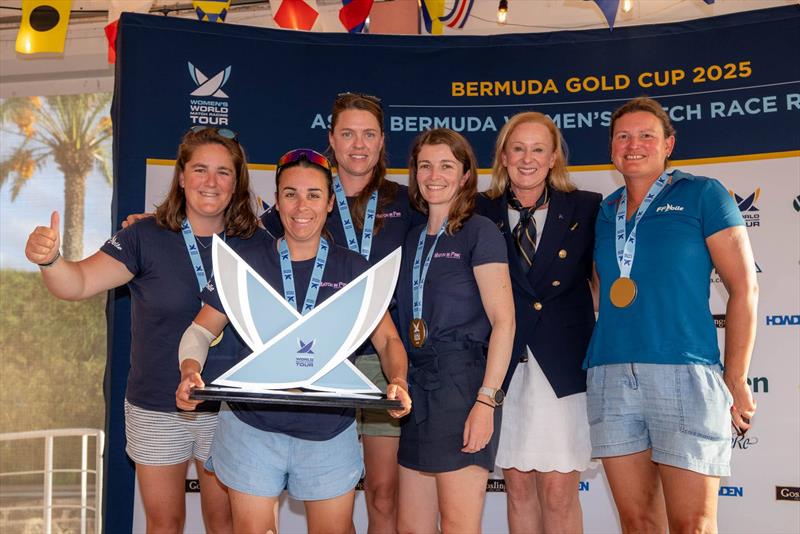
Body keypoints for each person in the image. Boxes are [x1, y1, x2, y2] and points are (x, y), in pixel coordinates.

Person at [24, 126, 268, 533]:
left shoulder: (256, 243)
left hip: (229, 408)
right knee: (164, 523)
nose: (211, 182)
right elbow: (79, 282)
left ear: (237, 181)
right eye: (200, 169)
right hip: (157, 404)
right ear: (182, 176)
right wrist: (50, 261)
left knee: (223, 522)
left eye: (223, 172)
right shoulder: (144, 235)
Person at [176, 148, 412, 534]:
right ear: (278, 198)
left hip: (328, 431)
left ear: (330, 202)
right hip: (252, 427)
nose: (301, 206)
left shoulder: (353, 269)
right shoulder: (246, 261)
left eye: (314, 194)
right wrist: (189, 369)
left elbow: (387, 341)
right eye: (290, 193)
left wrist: (398, 380)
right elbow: (200, 331)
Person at [585, 96, 758, 533]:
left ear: (669, 144)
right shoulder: (604, 213)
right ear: (611, 150)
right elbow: (598, 292)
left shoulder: (704, 194)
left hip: (685, 372)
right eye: (622, 136)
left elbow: (744, 288)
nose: (633, 144)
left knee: (692, 525)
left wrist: (736, 375)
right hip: (609, 375)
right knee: (638, 523)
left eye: (647, 135)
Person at [261, 92, 423, 533]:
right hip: (311, 359)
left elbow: (459, 216)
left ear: (382, 141)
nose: (358, 144)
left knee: (383, 492)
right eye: (347, 133)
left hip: (377, 356)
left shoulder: (409, 200)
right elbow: (233, 232)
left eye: (368, 134)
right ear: (331, 139)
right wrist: (159, 218)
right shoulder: (302, 198)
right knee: (331, 496)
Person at [476, 111, 601, 534]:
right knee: (518, 490)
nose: (527, 158)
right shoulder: (479, 210)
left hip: (562, 370)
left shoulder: (587, 207)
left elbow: (605, 281)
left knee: (558, 494)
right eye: (518, 148)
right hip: (503, 370)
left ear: (553, 159)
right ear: (504, 157)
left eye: (538, 149)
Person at [395, 128, 515, 533]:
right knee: (412, 527)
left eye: (447, 165)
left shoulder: (479, 231)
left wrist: (486, 402)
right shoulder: (411, 238)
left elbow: (504, 321)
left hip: (462, 387)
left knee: (459, 525)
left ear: (465, 175)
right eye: (425, 165)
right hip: (414, 386)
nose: (434, 174)